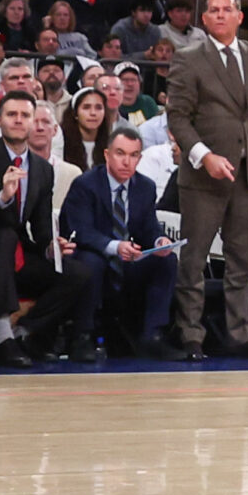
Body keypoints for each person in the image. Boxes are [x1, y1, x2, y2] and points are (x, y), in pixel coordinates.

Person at [163, 0, 248, 361]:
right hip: (203, 176)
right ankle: (191, 335)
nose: (220, 15)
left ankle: (243, 334)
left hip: (246, 173)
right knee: (194, 258)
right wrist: (202, 155)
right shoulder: (189, 58)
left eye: (227, 9)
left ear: (240, 17)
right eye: (213, 10)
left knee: (243, 260)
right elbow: (177, 117)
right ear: (204, 19)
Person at [0, 91, 70, 367]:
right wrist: (3, 196)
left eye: (25, 115)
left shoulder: (43, 169)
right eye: (12, 115)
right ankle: (2, 336)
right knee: (4, 236)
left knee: (80, 272)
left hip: (19, 251)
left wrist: (52, 244)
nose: (18, 120)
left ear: (34, 122)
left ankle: (22, 332)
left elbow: (42, 223)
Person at [59, 125, 180, 359]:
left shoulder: (145, 187)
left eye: (134, 155)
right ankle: (82, 335)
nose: (127, 162)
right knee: (91, 262)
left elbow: (148, 227)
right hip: (91, 257)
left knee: (165, 261)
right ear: (107, 155)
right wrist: (116, 246)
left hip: (125, 261)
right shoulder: (86, 184)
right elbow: (80, 230)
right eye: (120, 153)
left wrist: (159, 240)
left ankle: (152, 335)